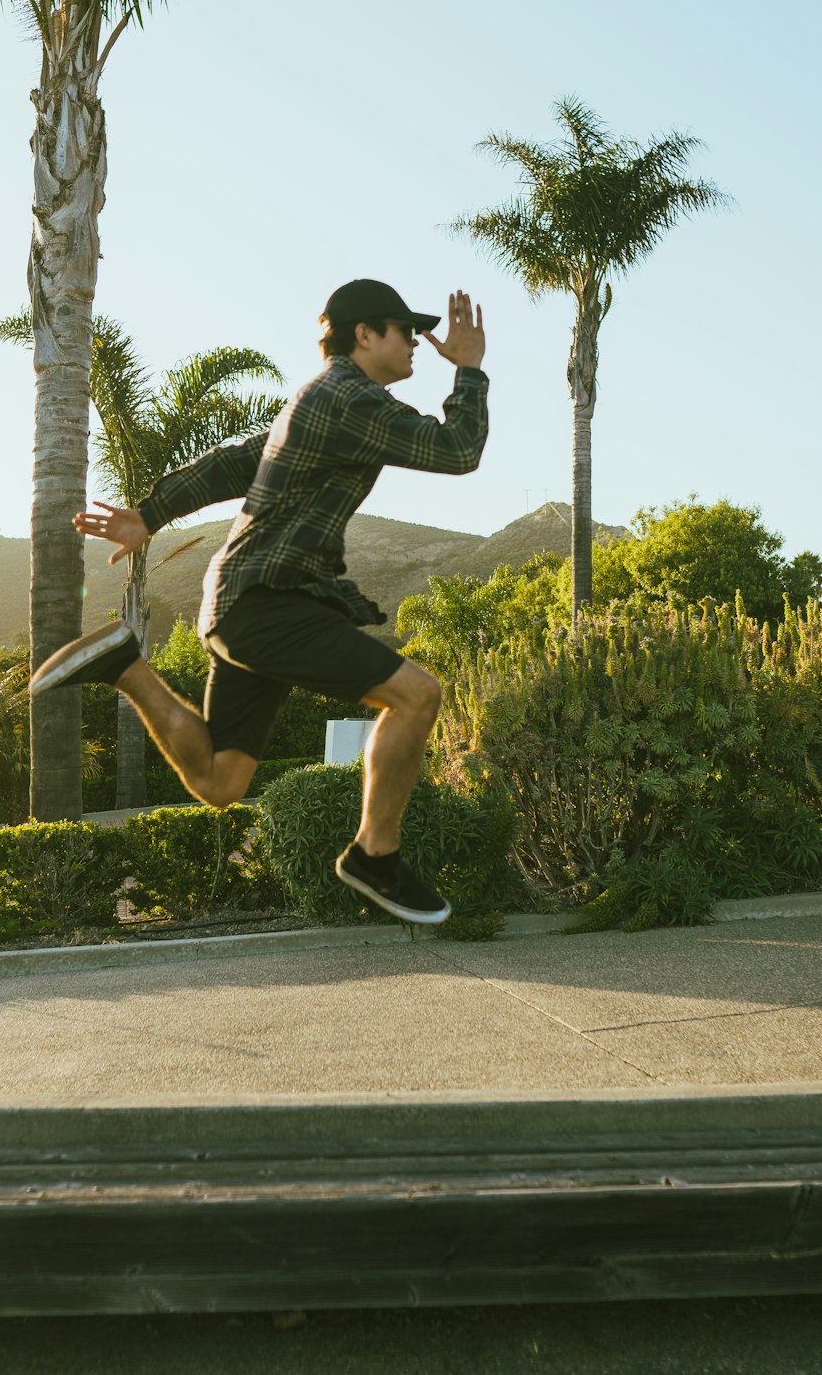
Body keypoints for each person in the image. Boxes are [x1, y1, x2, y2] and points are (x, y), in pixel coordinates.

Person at [31, 279, 488, 923]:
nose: (416, 342)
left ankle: (126, 667)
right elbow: (458, 450)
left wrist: (150, 513)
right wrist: (469, 371)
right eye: (403, 329)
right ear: (365, 335)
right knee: (417, 695)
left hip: (239, 603)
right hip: (271, 600)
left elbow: (240, 461)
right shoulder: (353, 396)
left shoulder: (316, 397)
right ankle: (374, 856)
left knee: (220, 783)